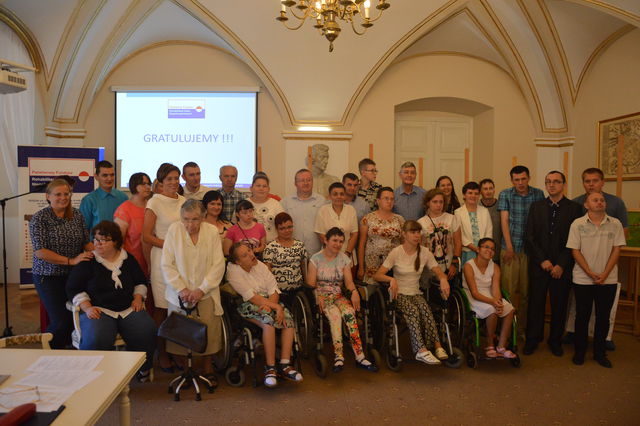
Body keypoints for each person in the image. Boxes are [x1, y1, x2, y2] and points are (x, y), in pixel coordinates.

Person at [66, 221, 156, 381]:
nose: (98, 243)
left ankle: (141, 368)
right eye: (96, 239)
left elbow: (140, 281)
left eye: (103, 240)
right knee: (97, 337)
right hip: (99, 309)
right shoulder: (88, 261)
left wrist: (138, 298)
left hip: (128, 308)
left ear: (115, 241)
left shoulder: (128, 259)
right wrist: (87, 307)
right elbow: (73, 287)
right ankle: (95, 375)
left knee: (146, 329)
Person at [564, 167, 629, 351]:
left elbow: (621, 235)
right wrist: (588, 269)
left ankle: (604, 341)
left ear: (602, 182)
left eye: (595, 180)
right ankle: (575, 336)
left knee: (604, 313)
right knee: (580, 310)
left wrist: (606, 269)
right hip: (582, 267)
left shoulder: (616, 203)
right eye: (587, 181)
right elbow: (574, 243)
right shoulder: (576, 203)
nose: (591, 184)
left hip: (607, 266)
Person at [161, 200, 226, 382]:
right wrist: (182, 289)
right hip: (179, 293)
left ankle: (207, 367)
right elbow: (166, 264)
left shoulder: (211, 231)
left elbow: (218, 264)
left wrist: (201, 290)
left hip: (206, 292)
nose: (190, 224)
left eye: (195, 219)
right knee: (181, 334)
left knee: (209, 330)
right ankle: (185, 369)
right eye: (186, 219)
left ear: (203, 217)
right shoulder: (174, 230)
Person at [226, 242, 303, 387]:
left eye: (250, 250)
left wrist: (271, 306)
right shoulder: (233, 271)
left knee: (288, 320)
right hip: (248, 304)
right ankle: (270, 367)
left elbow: (273, 289)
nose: (251, 255)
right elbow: (252, 297)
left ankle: (285, 364)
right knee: (268, 322)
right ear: (238, 261)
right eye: (245, 255)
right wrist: (275, 308)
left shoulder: (260, 265)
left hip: (269, 302)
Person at [374, 221, 451, 364]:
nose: (417, 235)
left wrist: (443, 279)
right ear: (404, 234)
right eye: (413, 232)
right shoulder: (396, 252)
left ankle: (437, 346)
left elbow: (438, 271)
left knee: (426, 310)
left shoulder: (425, 252)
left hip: (415, 292)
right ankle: (421, 350)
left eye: (418, 232)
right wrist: (391, 279)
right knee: (413, 311)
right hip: (399, 294)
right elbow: (378, 275)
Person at [29, 178, 93, 349]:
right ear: (48, 196)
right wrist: (71, 261)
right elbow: (40, 251)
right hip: (48, 276)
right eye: (58, 194)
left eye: (66, 194)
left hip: (73, 275)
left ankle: (70, 351)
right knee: (61, 320)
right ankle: (49, 351)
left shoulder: (77, 215)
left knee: (75, 317)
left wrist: (102, 252)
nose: (63, 198)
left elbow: (86, 242)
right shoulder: (40, 218)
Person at [524, 171, 582, 357]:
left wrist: (561, 264)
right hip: (539, 265)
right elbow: (530, 237)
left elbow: (574, 240)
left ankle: (555, 341)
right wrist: (543, 260)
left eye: (556, 182)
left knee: (559, 306)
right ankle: (533, 339)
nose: (552, 185)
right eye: (548, 181)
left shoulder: (575, 208)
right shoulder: (536, 206)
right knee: (535, 304)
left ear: (563, 184)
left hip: (561, 268)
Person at [308, 227, 378, 373]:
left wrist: (354, 292)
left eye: (341, 241)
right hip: (322, 297)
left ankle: (360, 356)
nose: (338, 244)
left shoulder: (344, 259)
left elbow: (349, 282)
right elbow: (311, 284)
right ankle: (339, 357)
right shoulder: (315, 259)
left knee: (350, 314)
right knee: (335, 317)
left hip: (339, 296)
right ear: (326, 240)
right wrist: (317, 295)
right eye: (335, 240)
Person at [142, 163, 186, 372]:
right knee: (161, 308)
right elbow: (146, 235)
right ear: (160, 181)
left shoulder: (184, 202)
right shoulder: (155, 202)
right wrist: (170, 245)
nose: (174, 182)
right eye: (169, 179)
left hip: (182, 261)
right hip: (162, 260)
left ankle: (177, 351)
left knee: (179, 308)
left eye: (176, 178)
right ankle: (162, 353)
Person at [497, 165, 544, 332]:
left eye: (523, 179)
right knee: (508, 291)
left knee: (526, 292)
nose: (520, 183)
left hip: (530, 251)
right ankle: (506, 330)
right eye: (517, 180)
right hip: (510, 249)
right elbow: (504, 221)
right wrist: (509, 247)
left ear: (529, 178)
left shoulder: (538, 194)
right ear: (512, 180)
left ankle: (522, 329)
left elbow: (540, 221)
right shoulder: (505, 194)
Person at [462, 237, 516, 359]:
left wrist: (498, 301)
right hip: (473, 296)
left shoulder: (495, 267)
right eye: (486, 247)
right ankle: (489, 344)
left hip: (489, 294)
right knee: (491, 310)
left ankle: (501, 346)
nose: (489, 250)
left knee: (510, 309)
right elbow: (474, 292)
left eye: (492, 249)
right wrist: (493, 302)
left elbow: (496, 288)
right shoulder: (469, 266)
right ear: (478, 249)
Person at [357, 187, 404, 284]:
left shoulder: (400, 219)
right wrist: (361, 267)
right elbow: (361, 244)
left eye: (392, 199)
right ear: (378, 201)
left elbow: (404, 243)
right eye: (386, 198)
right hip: (372, 264)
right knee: (374, 290)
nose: (389, 201)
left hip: (394, 264)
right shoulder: (367, 219)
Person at [417, 188, 462, 280]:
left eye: (441, 202)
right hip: (429, 270)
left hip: (449, 267)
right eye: (435, 202)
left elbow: (458, 242)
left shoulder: (452, 218)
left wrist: (454, 263)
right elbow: (418, 247)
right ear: (428, 203)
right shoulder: (421, 222)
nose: (438, 205)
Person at [114, 172, 152, 276]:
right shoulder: (124, 210)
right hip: (132, 264)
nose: (147, 187)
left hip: (152, 261)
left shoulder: (152, 206)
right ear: (134, 185)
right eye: (143, 184)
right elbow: (118, 242)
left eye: (149, 184)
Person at [281, 169, 326, 256]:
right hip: (292, 252)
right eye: (302, 180)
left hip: (316, 252)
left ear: (312, 182)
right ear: (295, 183)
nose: (306, 183)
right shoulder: (285, 202)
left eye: (309, 180)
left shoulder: (322, 201)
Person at [79, 160, 128, 230]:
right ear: (96, 177)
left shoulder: (123, 197)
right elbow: (83, 229)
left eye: (112, 175)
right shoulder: (89, 200)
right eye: (105, 175)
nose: (109, 179)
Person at [314, 182, 359, 258]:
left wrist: (347, 253)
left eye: (342, 194)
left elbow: (354, 234)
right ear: (330, 196)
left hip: (348, 254)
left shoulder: (351, 210)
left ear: (345, 196)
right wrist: (332, 252)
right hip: (328, 254)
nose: (339, 197)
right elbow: (321, 234)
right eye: (335, 194)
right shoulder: (323, 210)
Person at [454, 181, 493, 266]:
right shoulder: (458, 212)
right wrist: (475, 248)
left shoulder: (485, 211)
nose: (473, 196)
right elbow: (460, 235)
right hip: (467, 251)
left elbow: (489, 231)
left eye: (476, 193)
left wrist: (484, 248)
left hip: (484, 251)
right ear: (464, 195)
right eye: (470, 193)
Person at [248, 174, 284, 243]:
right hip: (248, 246)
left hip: (272, 245)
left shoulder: (276, 204)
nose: (261, 188)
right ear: (251, 188)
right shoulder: (244, 203)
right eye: (258, 186)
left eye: (264, 186)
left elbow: (283, 226)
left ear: (268, 189)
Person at [479, 178, 502, 263]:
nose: (488, 191)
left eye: (491, 188)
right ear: (480, 191)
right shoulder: (477, 206)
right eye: (485, 189)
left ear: (494, 190)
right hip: (480, 253)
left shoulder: (501, 206)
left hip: (498, 252)